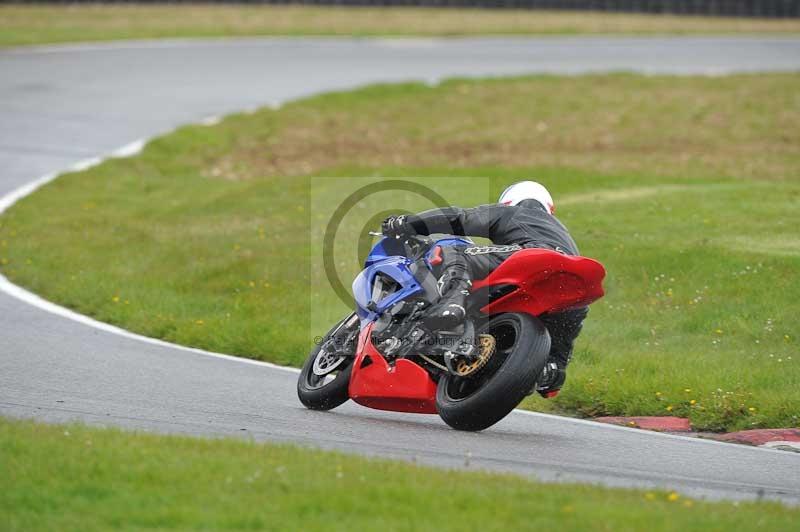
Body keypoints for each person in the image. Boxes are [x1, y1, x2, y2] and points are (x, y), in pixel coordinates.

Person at [381, 181, 587, 398]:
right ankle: (551, 371)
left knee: (454, 251)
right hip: (572, 277)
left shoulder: (513, 211)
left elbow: (459, 218)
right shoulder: (562, 231)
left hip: (532, 256)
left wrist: (407, 223)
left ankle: (452, 303)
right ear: (549, 207)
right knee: (566, 324)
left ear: (509, 200)